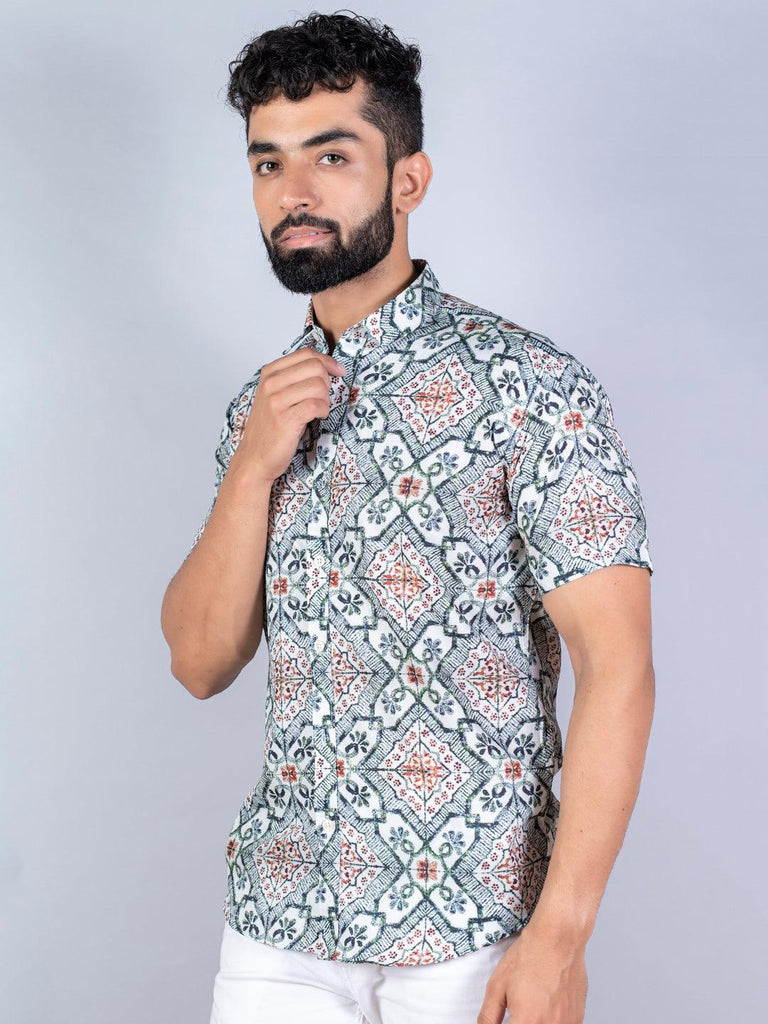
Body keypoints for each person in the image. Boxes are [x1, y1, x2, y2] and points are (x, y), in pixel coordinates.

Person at [160, 11, 656, 1024]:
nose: (293, 192)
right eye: (267, 163)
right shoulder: (259, 410)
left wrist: (559, 938)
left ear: (409, 180)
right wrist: (252, 469)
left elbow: (618, 668)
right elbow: (199, 661)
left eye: (332, 156)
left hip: (473, 932)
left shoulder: (529, 386)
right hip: (278, 930)